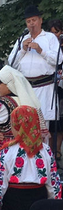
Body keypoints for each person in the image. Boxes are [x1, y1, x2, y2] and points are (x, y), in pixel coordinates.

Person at [0, 105, 62, 210]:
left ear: (18, 126)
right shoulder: (46, 151)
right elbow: (54, 183)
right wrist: (55, 205)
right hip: (39, 207)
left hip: (13, 207)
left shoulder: (7, 151)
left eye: (13, 125)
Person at [8, 5, 63, 127]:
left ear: (40, 20)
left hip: (44, 87)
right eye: (28, 21)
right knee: (26, 124)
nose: (31, 24)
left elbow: (58, 60)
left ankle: (43, 146)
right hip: (26, 88)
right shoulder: (22, 39)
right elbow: (12, 63)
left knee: (42, 126)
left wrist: (41, 51)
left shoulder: (50, 38)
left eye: (34, 20)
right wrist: (22, 49)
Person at [48, 19, 63, 160]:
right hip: (52, 89)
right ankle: (50, 156)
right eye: (52, 33)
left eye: (57, 32)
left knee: (60, 125)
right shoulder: (49, 46)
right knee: (52, 124)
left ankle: (57, 153)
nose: (55, 36)